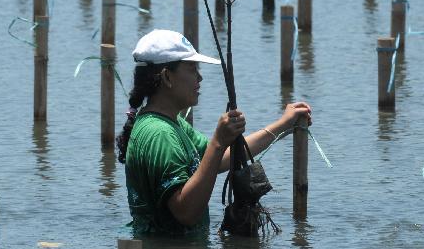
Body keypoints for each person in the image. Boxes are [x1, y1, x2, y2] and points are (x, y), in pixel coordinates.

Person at [116, 29, 313, 236]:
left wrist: (282, 125)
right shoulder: (160, 134)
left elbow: (219, 160)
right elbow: (186, 213)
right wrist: (218, 142)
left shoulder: (173, 124)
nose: (199, 78)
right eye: (192, 69)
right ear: (167, 77)